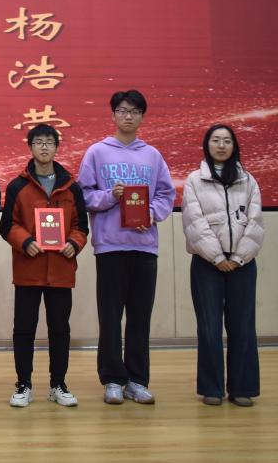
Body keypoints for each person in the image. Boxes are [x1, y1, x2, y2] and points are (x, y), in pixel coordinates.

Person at [77, 90, 174, 406]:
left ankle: (137, 380)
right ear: (113, 115)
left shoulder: (153, 156)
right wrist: (110, 196)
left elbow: (166, 195)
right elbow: (83, 196)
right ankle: (112, 380)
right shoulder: (97, 152)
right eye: (122, 110)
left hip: (144, 247)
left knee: (140, 318)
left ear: (142, 116)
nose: (128, 116)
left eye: (134, 111)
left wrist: (151, 214)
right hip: (110, 247)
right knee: (110, 318)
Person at [0, 123, 87, 408]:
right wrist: (25, 241)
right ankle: (23, 384)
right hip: (29, 269)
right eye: (39, 142)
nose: (44, 147)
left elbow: (81, 227)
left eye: (49, 142)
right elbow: (7, 226)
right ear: (30, 147)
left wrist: (73, 243)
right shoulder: (18, 186)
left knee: (59, 329)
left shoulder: (71, 186)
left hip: (61, 269)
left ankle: (58, 384)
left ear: (57, 147)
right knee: (24, 329)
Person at [182, 124, 264, 407]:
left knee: (243, 326)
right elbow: (194, 222)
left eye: (226, 141)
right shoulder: (195, 180)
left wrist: (238, 258)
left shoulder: (248, 180)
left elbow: (255, 222)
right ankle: (212, 389)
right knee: (209, 327)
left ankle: (242, 388)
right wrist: (217, 257)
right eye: (215, 140)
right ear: (207, 145)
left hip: (243, 263)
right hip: (207, 264)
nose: (221, 145)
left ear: (234, 146)